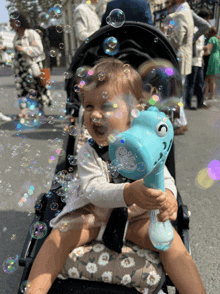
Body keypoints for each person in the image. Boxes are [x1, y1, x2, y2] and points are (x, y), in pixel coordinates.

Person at [26, 58, 206, 294]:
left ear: (133, 113)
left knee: (172, 244)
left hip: (134, 221)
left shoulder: (147, 147)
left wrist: (169, 197)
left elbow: (165, 178)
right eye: (89, 107)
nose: (95, 115)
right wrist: (129, 192)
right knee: (57, 238)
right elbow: (93, 190)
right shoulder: (89, 152)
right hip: (93, 216)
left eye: (106, 106)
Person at [7, 13, 52, 118]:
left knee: (40, 88)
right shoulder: (16, 36)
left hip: (36, 65)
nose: (11, 24)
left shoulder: (31, 33)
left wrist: (24, 49)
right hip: (22, 68)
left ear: (19, 21)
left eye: (12, 21)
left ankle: (41, 110)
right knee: (21, 89)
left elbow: (39, 50)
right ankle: (24, 110)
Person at [163, 0, 194, 135]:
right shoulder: (184, 11)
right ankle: (177, 122)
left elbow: (176, 40)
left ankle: (181, 123)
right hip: (182, 58)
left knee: (176, 93)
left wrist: (164, 38)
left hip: (178, 59)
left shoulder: (181, 14)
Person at [185, 9, 211, 110]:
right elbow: (192, 45)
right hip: (193, 61)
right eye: (207, 19)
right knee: (191, 84)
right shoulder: (195, 30)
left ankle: (200, 102)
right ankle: (188, 103)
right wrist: (203, 48)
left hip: (199, 61)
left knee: (200, 83)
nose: (208, 21)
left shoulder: (201, 30)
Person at [203, 26, 220, 100]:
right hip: (217, 57)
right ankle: (210, 95)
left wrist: (202, 49)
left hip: (212, 58)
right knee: (211, 78)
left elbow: (209, 49)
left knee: (208, 78)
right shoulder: (217, 38)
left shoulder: (212, 39)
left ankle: (207, 95)